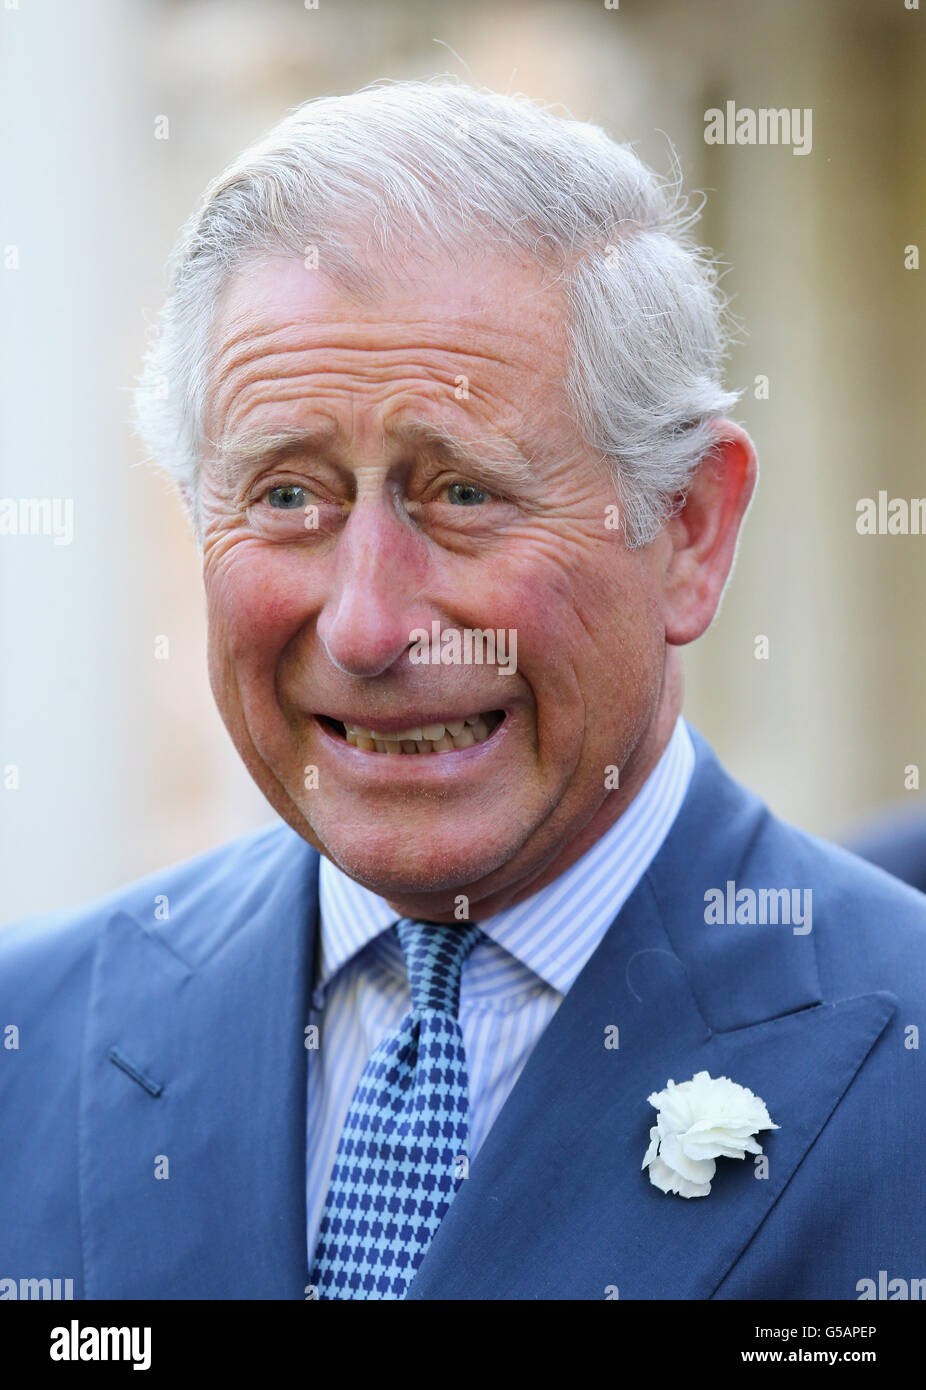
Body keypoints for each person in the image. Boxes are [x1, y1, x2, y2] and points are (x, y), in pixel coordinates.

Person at [2, 80, 924, 1302]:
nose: (367, 622)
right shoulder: (32, 1038)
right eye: (286, 496)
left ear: (690, 530)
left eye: (464, 493)